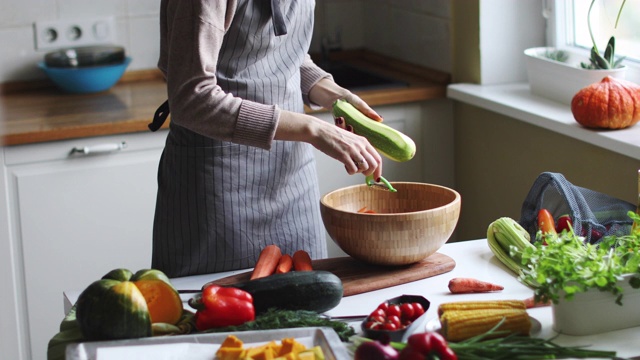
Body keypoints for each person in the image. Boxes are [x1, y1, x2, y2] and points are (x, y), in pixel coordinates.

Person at [149, 0, 384, 278]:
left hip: (294, 180)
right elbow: (191, 98)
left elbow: (285, 55)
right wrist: (314, 129)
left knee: (308, 302)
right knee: (218, 311)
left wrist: (333, 94)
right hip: (220, 185)